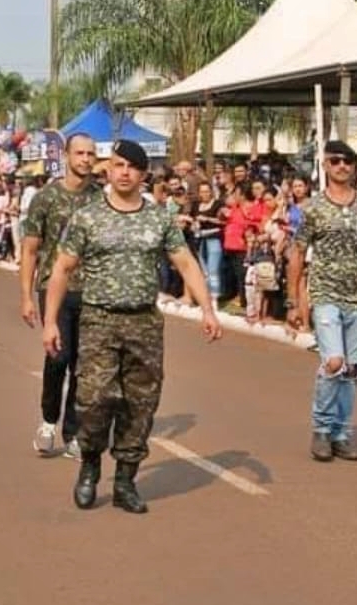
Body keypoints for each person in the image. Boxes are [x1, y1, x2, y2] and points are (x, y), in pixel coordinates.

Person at [42, 140, 223, 514]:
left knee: (140, 404)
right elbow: (61, 268)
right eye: (119, 165)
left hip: (144, 323)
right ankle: (90, 465)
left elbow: (185, 263)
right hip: (99, 320)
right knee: (93, 400)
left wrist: (208, 309)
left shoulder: (158, 218)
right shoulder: (89, 217)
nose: (124, 172)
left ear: (143, 175)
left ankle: (125, 479)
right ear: (109, 170)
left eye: (132, 167)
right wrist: (50, 321)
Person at [285, 140, 357, 463]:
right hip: (326, 293)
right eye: (335, 161)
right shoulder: (314, 209)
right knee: (333, 361)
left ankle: (341, 433)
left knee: (353, 369)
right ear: (326, 166)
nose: (342, 166)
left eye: (347, 161)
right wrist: (293, 301)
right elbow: (297, 254)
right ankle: (321, 428)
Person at [19, 133, 100, 458]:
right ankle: (48, 421)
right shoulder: (45, 198)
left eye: (91, 154)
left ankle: (73, 432)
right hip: (54, 288)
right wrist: (26, 296)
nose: (86, 159)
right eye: (80, 153)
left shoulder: (100, 199)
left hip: (92, 290)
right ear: (66, 155)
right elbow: (30, 249)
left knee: (83, 365)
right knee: (59, 357)